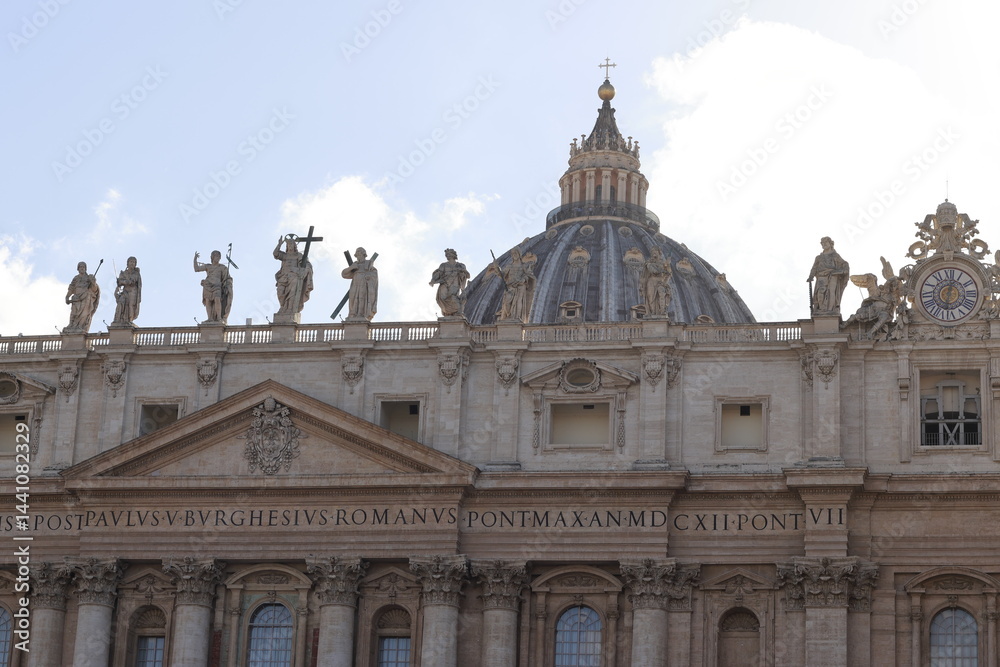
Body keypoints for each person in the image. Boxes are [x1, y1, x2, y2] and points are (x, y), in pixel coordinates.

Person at [808, 237, 850, 315]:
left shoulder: (835, 255)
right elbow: (814, 268)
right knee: (820, 293)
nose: (824, 244)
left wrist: (843, 270)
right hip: (821, 276)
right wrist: (811, 276)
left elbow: (845, 263)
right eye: (822, 243)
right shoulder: (819, 257)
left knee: (831, 292)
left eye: (825, 243)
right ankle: (821, 309)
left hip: (833, 275)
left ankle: (831, 311)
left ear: (830, 244)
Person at [273, 236, 313, 316]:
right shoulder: (284, 255)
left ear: (295, 246)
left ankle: (290, 309)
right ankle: (283, 307)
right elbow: (276, 254)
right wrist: (279, 244)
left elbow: (306, 264)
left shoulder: (298, 255)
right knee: (280, 291)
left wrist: (305, 270)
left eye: (291, 244)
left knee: (292, 293)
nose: (290, 246)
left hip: (294, 276)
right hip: (283, 277)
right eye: (288, 245)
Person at [496, 247, 536, 322]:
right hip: (510, 286)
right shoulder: (509, 266)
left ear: (519, 254)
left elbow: (528, 275)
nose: (514, 255)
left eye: (516, 253)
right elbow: (502, 274)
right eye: (513, 254)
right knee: (507, 303)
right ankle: (509, 316)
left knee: (519, 301)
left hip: (520, 285)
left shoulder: (523, 266)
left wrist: (523, 280)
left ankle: (517, 317)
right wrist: (497, 269)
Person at [193, 250, 233, 323]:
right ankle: (210, 318)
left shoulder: (222, 268)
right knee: (208, 301)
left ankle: (219, 318)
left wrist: (227, 285)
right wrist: (195, 259)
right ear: (212, 257)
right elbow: (197, 269)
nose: (217, 258)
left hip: (217, 286)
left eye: (218, 256)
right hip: (207, 285)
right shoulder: (208, 266)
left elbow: (227, 278)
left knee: (217, 299)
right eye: (216, 256)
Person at [429, 248, 470, 317]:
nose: (447, 256)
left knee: (453, 298)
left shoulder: (460, 265)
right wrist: (433, 280)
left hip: (454, 284)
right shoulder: (443, 265)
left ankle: (455, 312)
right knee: (441, 298)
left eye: (449, 254)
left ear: (454, 255)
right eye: (446, 254)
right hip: (444, 283)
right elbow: (438, 273)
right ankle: (448, 313)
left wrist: (462, 271)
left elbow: (467, 275)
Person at [341, 247, 378, 321]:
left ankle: (361, 315)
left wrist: (368, 276)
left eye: (359, 255)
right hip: (355, 285)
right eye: (357, 255)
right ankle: (352, 314)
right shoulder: (355, 265)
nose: (358, 257)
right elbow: (344, 274)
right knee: (353, 299)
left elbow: (374, 274)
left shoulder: (369, 265)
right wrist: (351, 268)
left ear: (364, 255)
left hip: (364, 284)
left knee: (362, 299)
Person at [65, 261, 100, 333]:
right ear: (78, 269)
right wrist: (67, 297)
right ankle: (72, 325)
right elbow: (71, 288)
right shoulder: (76, 278)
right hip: (76, 298)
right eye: (80, 267)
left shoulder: (89, 277)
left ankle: (80, 326)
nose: (82, 268)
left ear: (85, 268)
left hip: (86, 298)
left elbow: (94, 289)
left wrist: (93, 282)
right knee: (74, 313)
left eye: (83, 267)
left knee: (84, 314)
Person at [641, 247, 672, 318]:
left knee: (661, 294)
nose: (653, 253)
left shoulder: (664, 263)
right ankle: (653, 313)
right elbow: (653, 271)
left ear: (659, 252)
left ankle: (662, 311)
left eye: (655, 251)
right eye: (652, 252)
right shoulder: (649, 263)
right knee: (651, 299)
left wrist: (668, 266)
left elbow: (669, 273)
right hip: (651, 282)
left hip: (661, 282)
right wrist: (663, 270)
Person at [111, 256, 142, 326]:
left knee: (131, 305)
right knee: (121, 303)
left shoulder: (136, 273)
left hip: (133, 291)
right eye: (131, 261)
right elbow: (120, 283)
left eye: (133, 262)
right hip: (125, 292)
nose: (132, 263)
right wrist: (119, 282)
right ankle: (119, 319)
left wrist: (122, 281)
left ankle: (129, 320)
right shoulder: (123, 273)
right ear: (127, 263)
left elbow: (131, 282)